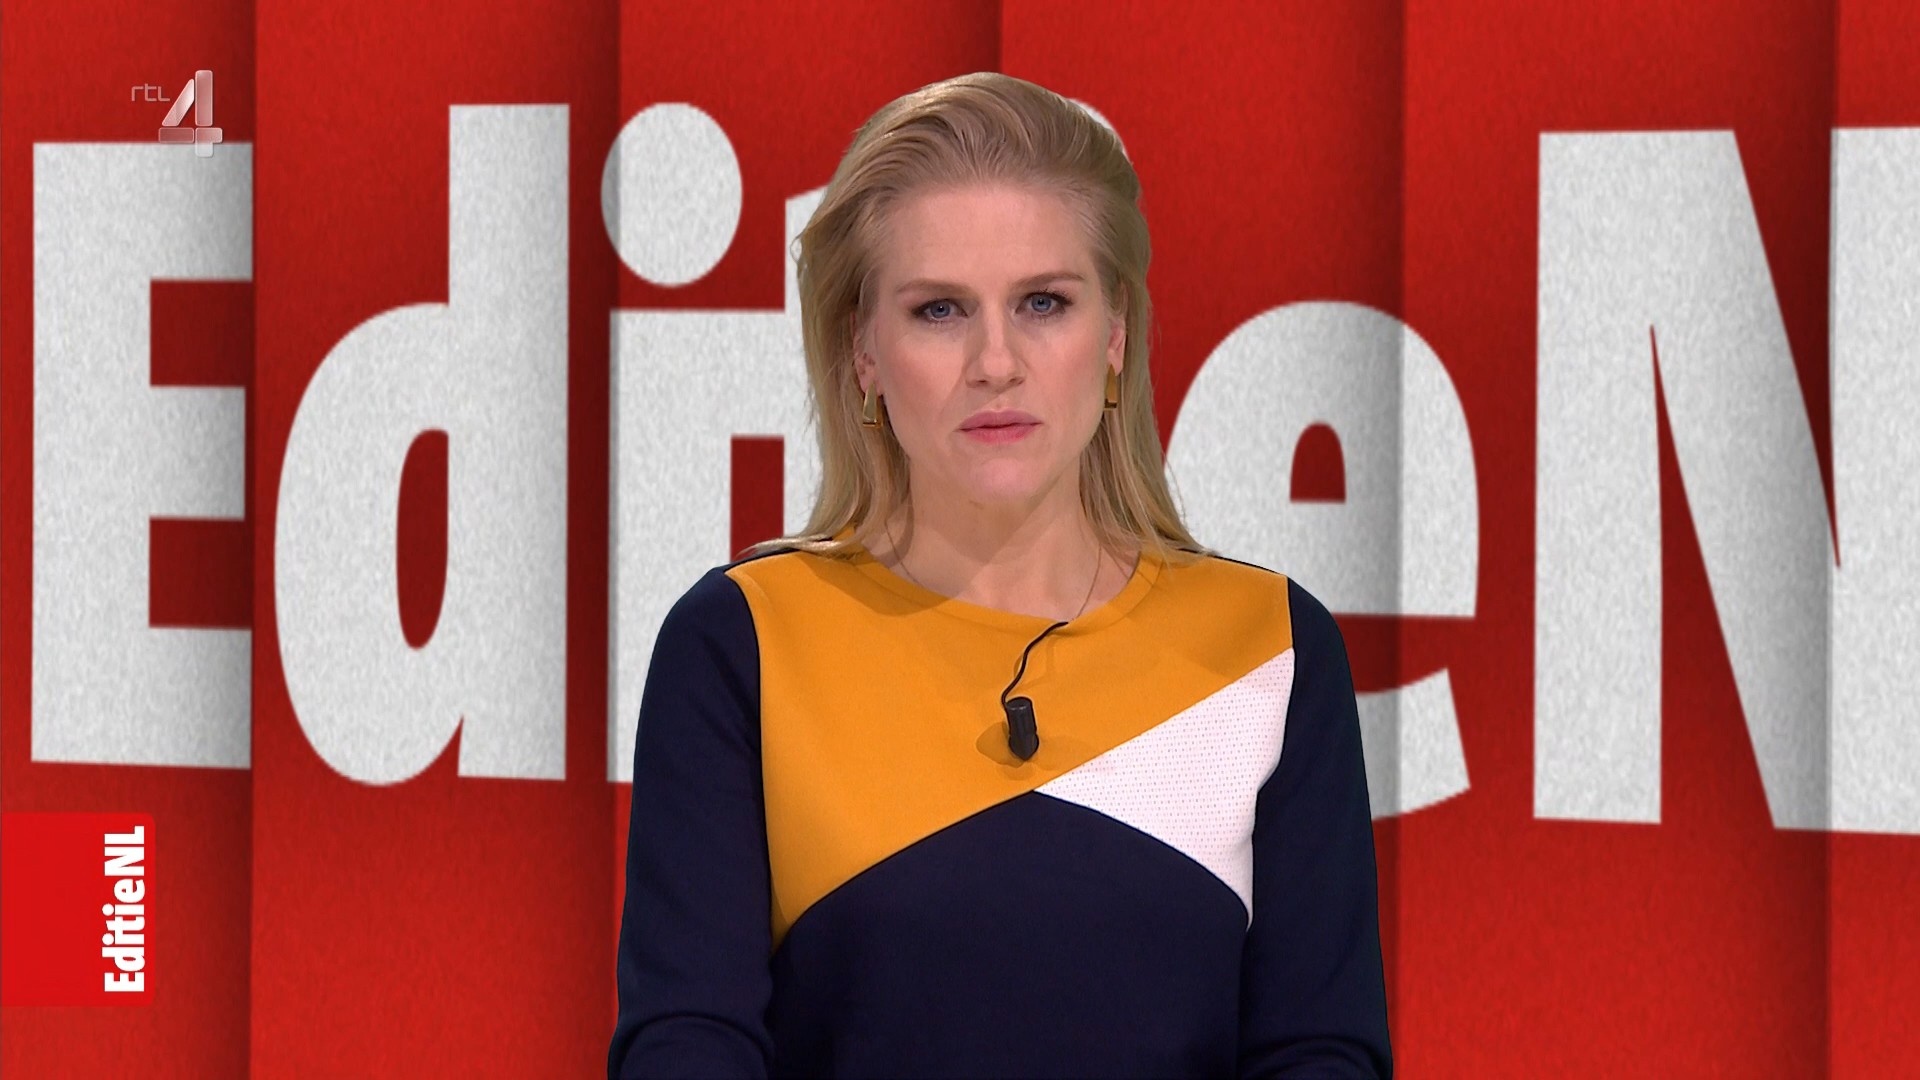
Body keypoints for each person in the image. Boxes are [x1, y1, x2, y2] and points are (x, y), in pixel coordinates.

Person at [608, 71, 1391, 1079]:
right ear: (863, 353)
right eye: (939, 310)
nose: (996, 361)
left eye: (1043, 303)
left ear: (1115, 337)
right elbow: (688, 1044)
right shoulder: (743, 642)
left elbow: (1320, 1052)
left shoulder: (1269, 646)